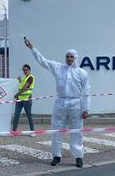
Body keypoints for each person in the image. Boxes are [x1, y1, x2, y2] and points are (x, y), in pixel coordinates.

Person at [24, 37, 90, 168]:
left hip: (76, 104)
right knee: (56, 130)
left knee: (76, 131)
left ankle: (78, 156)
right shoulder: (58, 68)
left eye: (71, 57)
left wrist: (86, 109)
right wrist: (33, 48)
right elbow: (43, 61)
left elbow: (86, 91)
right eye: (67, 57)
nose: (69, 59)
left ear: (76, 58)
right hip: (60, 103)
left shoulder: (82, 73)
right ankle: (56, 156)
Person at [12, 64, 35, 133]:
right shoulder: (25, 78)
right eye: (23, 70)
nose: (24, 71)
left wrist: (16, 94)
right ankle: (14, 131)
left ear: (29, 70)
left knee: (29, 115)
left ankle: (32, 131)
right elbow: (22, 86)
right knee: (16, 115)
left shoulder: (30, 78)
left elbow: (24, 88)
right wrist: (20, 81)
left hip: (27, 99)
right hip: (19, 99)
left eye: (26, 70)